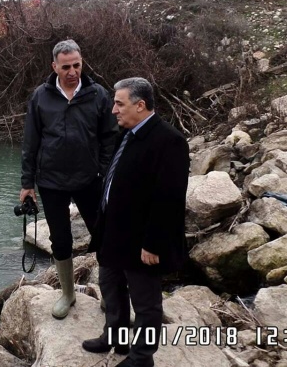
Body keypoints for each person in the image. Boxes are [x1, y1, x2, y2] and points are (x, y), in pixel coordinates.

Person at [81, 77, 189, 367]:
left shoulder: (170, 141)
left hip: (142, 240)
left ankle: (142, 358)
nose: (114, 110)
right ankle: (114, 336)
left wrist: (153, 244)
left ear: (140, 105)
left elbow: (169, 199)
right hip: (113, 233)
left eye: (119, 103)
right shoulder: (127, 133)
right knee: (110, 286)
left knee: (146, 303)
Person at [20, 39, 118, 319]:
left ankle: (108, 296)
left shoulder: (97, 94)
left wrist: (103, 170)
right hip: (51, 181)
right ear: (55, 67)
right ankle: (68, 294)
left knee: (105, 237)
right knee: (60, 241)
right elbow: (30, 142)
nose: (73, 71)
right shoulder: (41, 96)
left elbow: (109, 137)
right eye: (66, 67)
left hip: (90, 179)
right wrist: (27, 184)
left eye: (77, 65)